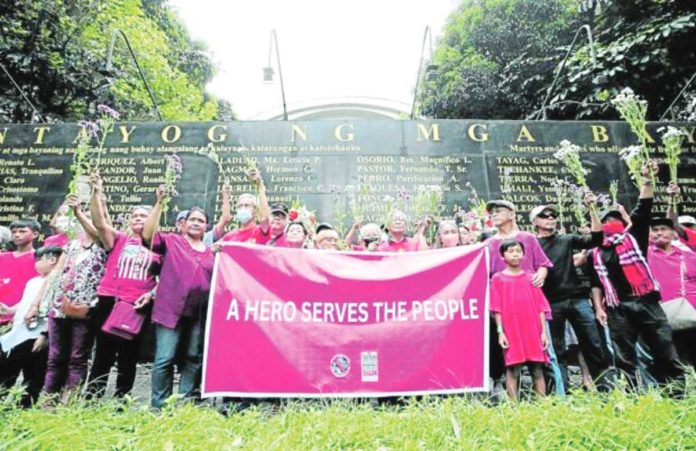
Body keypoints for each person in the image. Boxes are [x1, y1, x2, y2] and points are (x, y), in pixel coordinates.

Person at [589, 161, 684, 392]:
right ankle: (633, 395)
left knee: (665, 350)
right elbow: (596, 283)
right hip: (618, 307)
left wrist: (647, 180)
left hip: (647, 302)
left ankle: (676, 393)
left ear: (623, 223)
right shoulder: (597, 252)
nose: (612, 223)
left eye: (616, 219)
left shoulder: (633, 239)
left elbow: (644, 207)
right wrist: (599, 308)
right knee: (624, 357)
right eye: (606, 220)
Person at [85, 172, 161, 398]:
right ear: (129, 221)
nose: (139, 218)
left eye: (144, 216)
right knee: (103, 355)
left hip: (139, 305)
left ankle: (121, 401)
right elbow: (99, 222)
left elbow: (164, 277)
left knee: (129, 356)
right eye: (135, 215)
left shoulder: (160, 246)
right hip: (110, 300)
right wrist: (96, 192)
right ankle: (92, 399)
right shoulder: (119, 240)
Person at [142, 186, 214, 409]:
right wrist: (159, 203)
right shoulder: (172, 241)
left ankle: (183, 406)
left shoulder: (212, 251)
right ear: (183, 224)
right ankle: (159, 407)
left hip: (198, 315)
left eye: (200, 221)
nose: (195, 223)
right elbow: (148, 235)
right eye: (192, 219)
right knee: (165, 358)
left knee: (193, 358)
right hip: (170, 310)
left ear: (206, 227)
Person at [531, 194, 612, 391]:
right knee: (557, 350)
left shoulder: (566, 239)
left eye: (553, 215)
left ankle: (605, 389)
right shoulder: (531, 245)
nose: (550, 218)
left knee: (593, 344)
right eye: (545, 215)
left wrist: (591, 209)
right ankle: (562, 392)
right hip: (551, 303)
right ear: (535, 222)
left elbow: (596, 239)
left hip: (578, 299)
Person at [40, 195, 106, 403]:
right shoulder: (70, 246)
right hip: (59, 306)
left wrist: (82, 208)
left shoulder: (104, 245)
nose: (86, 221)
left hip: (83, 307)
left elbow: (99, 232)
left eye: (90, 217)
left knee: (77, 357)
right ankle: (49, 398)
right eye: (83, 217)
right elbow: (55, 274)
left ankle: (69, 400)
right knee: (55, 356)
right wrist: (39, 304)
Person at [483, 200, 555, 391]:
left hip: (531, 303)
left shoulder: (528, 238)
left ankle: (552, 394)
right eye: (492, 213)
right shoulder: (488, 244)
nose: (494, 215)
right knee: (511, 357)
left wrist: (541, 274)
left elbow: (543, 263)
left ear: (512, 214)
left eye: (498, 211)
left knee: (542, 353)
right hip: (505, 307)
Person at [0, 246, 62, 407]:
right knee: (7, 369)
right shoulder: (34, 282)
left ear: (52, 260)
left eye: (38, 260)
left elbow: (54, 310)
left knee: (34, 374)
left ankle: (24, 407)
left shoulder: (59, 283)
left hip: (37, 335)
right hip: (19, 332)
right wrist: (9, 310)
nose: (35, 264)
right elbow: (24, 304)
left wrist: (45, 334)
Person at [490, 239, 551, 401]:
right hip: (511, 331)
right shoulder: (497, 279)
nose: (515, 254)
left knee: (537, 370)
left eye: (518, 250)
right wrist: (500, 332)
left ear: (524, 255)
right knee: (513, 369)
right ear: (502, 256)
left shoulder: (532, 278)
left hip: (533, 330)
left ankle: (543, 405)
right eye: (511, 251)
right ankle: (514, 408)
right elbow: (496, 308)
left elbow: (541, 308)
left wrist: (544, 333)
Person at [648, 214, 696, 367]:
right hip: (663, 312)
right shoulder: (646, 253)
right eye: (655, 230)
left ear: (674, 232)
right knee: (674, 357)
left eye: (664, 229)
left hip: (692, 310)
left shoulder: (688, 253)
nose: (659, 233)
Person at [0, 219, 40, 326]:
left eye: (22, 231)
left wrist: (15, 310)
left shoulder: (39, 260)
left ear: (35, 234)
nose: (17, 235)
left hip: (21, 316)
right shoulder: (3, 257)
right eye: (14, 232)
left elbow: (39, 291)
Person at [220, 169, 271, 244]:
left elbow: (265, 218)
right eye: (239, 206)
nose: (242, 208)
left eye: (247, 205)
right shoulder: (229, 237)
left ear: (255, 210)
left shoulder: (261, 231)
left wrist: (260, 185)